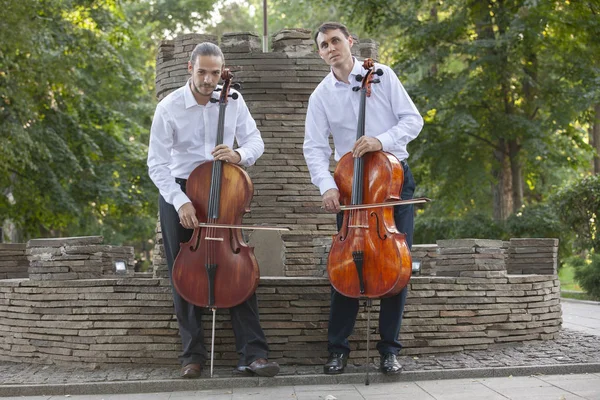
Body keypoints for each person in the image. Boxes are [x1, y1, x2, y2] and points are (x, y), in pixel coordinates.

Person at [147, 42, 279, 379]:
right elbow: (157, 165)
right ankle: (191, 356)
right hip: (181, 189)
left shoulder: (232, 99)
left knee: (239, 268)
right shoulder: (169, 107)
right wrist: (180, 201)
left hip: (224, 190)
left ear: (223, 72)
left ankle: (253, 354)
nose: (209, 80)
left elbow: (255, 142)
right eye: (203, 71)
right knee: (184, 272)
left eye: (215, 73)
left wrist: (238, 156)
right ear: (189, 68)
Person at [303, 22, 424, 375]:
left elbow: (412, 121)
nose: (330, 48)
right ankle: (338, 349)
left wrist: (380, 140)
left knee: (396, 265)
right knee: (345, 263)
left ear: (349, 42)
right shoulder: (320, 95)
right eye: (324, 45)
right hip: (349, 188)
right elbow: (313, 148)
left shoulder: (382, 75)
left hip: (392, 180)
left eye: (335, 41)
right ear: (320, 53)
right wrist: (326, 186)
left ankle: (389, 349)